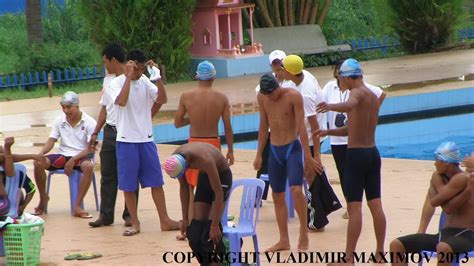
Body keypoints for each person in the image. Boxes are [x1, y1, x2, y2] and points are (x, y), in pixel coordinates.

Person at [316, 58, 387, 263]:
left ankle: (348, 259)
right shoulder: (372, 97)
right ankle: (380, 253)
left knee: (354, 208)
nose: (340, 83)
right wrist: (329, 131)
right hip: (372, 154)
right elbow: (352, 129)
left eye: (340, 78)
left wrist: (329, 105)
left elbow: (349, 104)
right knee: (376, 205)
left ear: (347, 77)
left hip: (356, 156)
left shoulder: (355, 93)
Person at [112, 49, 179, 236]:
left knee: (156, 182)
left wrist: (157, 77)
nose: (139, 72)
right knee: (129, 185)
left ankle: (164, 220)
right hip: (126, 140)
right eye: (137, 68)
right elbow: (122, 101)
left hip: (146, 139)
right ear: (130, 64)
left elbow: (162, 99)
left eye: (142, 69)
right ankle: (135, 223)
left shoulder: (145, 82)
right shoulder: (116, 83)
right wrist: (127, 77)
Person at [254, 73, 322, 252]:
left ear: (278, 87)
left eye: (271, 93)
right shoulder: (262, 97)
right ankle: (283, 240)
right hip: (275, 150)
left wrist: (308, 156)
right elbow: (263, 126)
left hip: (292, 148)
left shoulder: (293, 96)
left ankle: (303, 231)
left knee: (296, 190)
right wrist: (259, 154)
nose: (269, 97)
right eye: (266, 94)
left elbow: (302, 127)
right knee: (277, 196)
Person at [390, 142, 473, 266]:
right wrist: (421, 229)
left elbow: (447, 207)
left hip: (468, 234)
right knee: (396, 245)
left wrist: (465, 190)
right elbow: (433, 202)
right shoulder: (438, 177)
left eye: (437, 160)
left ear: (447, 162)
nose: (434, 163)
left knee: (443, 248)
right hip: (444, 235)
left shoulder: (465, 179)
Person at [281, 55, 336, 231]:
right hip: (298, 135)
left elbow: (314, 127)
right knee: (310, 173)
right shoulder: (297, 77)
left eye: (283, 68)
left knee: (311, 172)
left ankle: (317, 219)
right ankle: (323, 210)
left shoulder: (305, 94)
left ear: (289, 71)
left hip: (312, 136)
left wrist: (315, 156)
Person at [89, 43, 138, 228]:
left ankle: (129, 215)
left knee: (129, 174)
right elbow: (105, 108)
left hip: (128, 132)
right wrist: (95, 132)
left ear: (113, 60)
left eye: (105, 62)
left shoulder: (134, 78)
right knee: (108, 174)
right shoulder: (107, 81)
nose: (104, 66)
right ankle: (106, 215)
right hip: (110, 131)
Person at [163, 142, 233, 266]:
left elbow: (218, 193)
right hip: (205, 177)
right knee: (194, 233)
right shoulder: (175, 160)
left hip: (221, 177)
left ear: (186, 164)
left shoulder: (205, 160)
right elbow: (184, 187)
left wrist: (215, 226)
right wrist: (184, 218)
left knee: (209, 234)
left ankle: (220, 257)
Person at [33, 91, 97, 218]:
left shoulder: (90, 122)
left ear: (77, 106)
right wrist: (40, 154)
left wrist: (74, 159)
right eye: (63, 107)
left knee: (88, 167)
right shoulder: (59, 120)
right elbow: (51, 141)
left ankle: (77, 205)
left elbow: (91, 148)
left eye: (69, 107)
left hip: (81, 156)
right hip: (63, 155)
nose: (66, 111)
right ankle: (43, 198)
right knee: (38, 163)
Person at [174, 60, 234, 186]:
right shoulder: (221, 98)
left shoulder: (186, 96)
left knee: (190, 185)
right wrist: (230, 151)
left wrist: (193, 119)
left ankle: (189, 206)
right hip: (213, 146)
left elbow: (177, 123)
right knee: (211, 185)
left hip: (193, 144)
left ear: (197, 76)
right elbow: (228, 128)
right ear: (213, 77)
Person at [254, 50, 291, 200]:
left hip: (288, 132)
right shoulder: (262, 87)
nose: (278, 66)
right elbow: (264, 117)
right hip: (271, 130)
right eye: (275, 63)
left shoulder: (292, 83)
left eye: (280, 63)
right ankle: (258, 197)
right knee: (263, 164)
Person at [0, 137, 44, 216]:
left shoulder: (18, 173)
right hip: (8, 207)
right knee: (18, 193)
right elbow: (31, 190)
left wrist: (23, 207)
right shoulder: (18, 172)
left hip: (6, 206)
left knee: (18, 193)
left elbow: (9, 169)